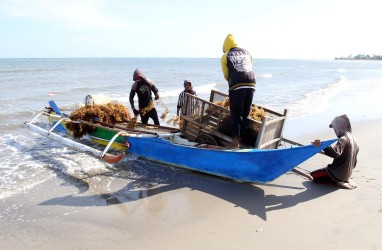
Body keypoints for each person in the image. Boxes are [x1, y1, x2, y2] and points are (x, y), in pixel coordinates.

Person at [221, 33, 256, 148]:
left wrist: (232, 83)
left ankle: (235, 141)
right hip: (252, 84)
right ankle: (243, 137)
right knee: (245, 113)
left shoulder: (226, 55)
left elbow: (226, 75)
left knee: (235, 113)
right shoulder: (248, 52)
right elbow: (249, 67)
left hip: (237, 85)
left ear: (226, 46)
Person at [311, 114, 359, 189]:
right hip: (348, 175)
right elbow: (354, 163)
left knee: (313, 176)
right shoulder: (354, 139)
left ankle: (337, 182)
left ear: (339, 127)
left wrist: (323, 145)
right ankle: (344, 178)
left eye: (335, 128)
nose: (335, 131)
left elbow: (335, 153)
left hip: (336, 176)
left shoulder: (343, 139)